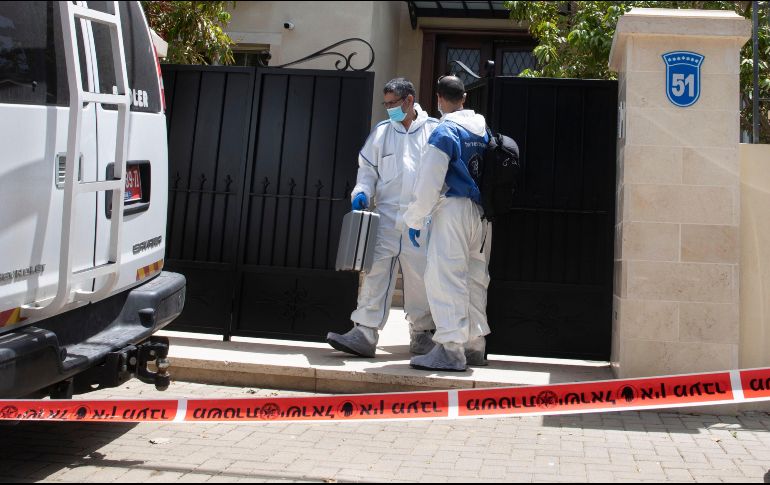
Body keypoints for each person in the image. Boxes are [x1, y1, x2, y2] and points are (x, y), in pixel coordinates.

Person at [326, 78, 439, 358]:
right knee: (375, 275)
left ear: (409, 101)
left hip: (420, 222)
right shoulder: (381, 133)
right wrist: (361, 191)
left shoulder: (434, 132)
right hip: (386, 219)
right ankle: (364, 332)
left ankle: (422, 334)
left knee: (420, 280)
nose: (388, 109)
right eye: (386, 104)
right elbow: (367, 170)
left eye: (393, 104)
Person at [403, 75, 492, 372]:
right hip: (482, 214)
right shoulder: (483, 129)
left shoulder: (444, 132)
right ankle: (474, 345)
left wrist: (415, 218)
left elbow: (429, 180)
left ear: (439, 99)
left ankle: (451, 350)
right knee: (475, 278)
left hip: (452, 209)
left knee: (445, 278)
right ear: (464, 98)